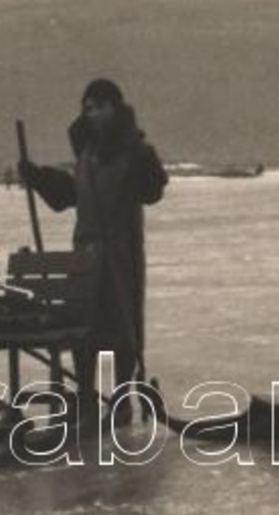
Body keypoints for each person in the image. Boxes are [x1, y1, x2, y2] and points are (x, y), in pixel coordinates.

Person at [17, 79, 168, 420]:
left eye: (101, 106)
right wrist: (38, 176)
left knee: (122, 328)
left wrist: (148, 166)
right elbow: (71, 196)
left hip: (120, 253)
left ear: (117, 109)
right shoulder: (85, 154)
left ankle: (121, 400)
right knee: (83, 327)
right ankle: (85, 397)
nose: (95, 113)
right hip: (84, 255)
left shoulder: (133, 152)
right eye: (89, 107)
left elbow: (152, 192)